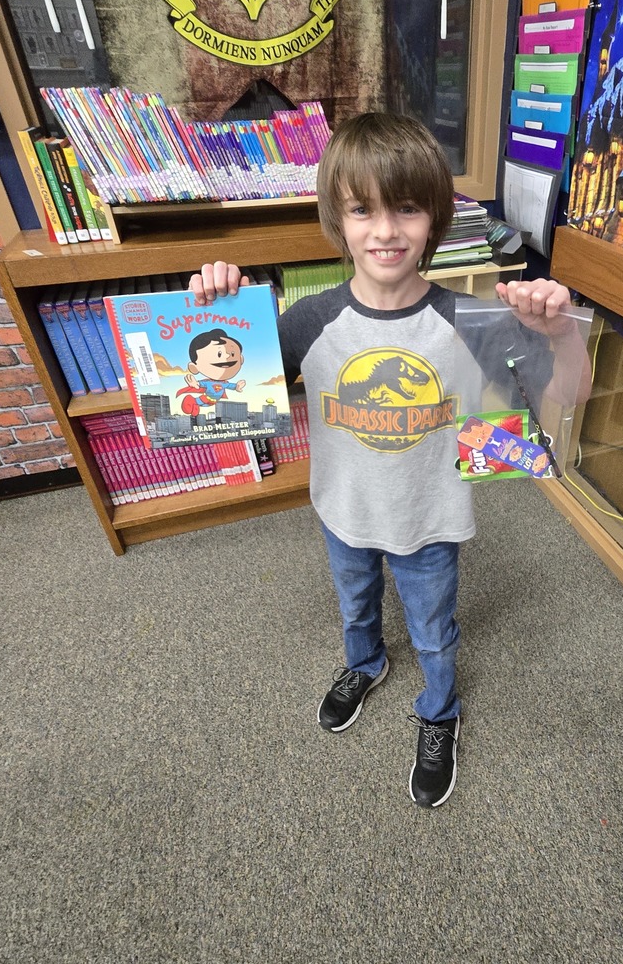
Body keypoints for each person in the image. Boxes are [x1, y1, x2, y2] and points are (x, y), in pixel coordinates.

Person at [190, 112, 590, 808]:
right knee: (354, 609)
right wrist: (213, 315)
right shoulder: (306, 322)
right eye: (361, 210)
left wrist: (561, 334)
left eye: (406, 208)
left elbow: (565, 396)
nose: (385, 230)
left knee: (435, 633)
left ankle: (439, 713)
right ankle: (365, 665)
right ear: (337, 222)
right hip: (342, 510)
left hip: (430, 519)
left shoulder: (467, 321)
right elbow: (214, 402)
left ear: (432, 221)